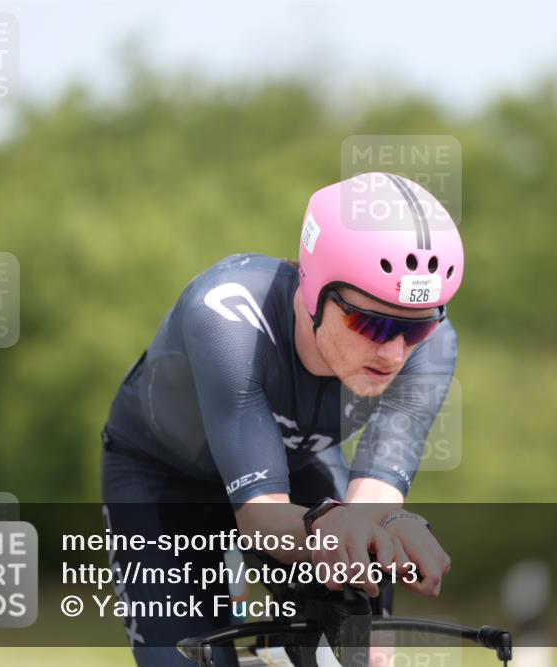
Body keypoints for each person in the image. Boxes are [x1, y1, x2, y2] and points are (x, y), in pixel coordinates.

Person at [101, 171, 463, 666]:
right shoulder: (229, 315)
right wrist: (339, 529)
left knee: (360, 646)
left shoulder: (435, 346)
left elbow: (374, 499)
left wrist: (395, 529)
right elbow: (260, 515)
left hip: (298, 466)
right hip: (163, 479)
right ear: (315, 291)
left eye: (415, 327)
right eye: (371, 322)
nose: (394, 352)